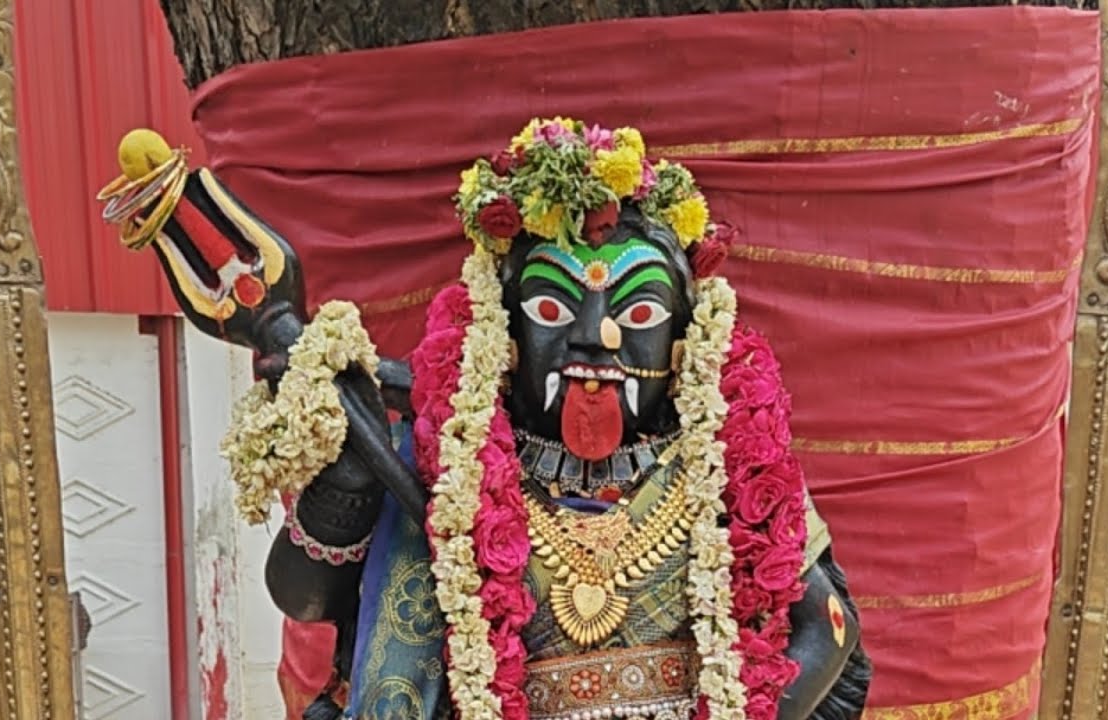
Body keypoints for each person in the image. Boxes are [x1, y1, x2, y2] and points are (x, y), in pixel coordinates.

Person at [98, 118, 871, 720]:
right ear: (504, 332)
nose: (595, 337)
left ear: (684, 338)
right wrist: (353, 477)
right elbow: (302, 597)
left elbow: (826, 626)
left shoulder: (724, 461)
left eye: (636, 313)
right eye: (550, 309)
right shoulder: (449, 459)